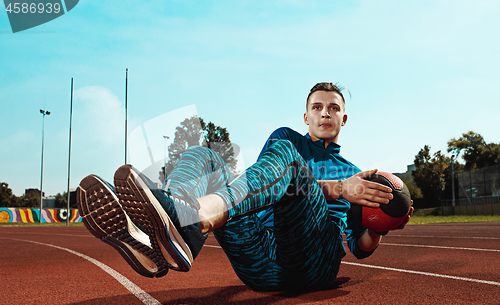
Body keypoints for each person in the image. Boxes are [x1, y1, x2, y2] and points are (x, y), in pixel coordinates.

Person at [77, 82, 413, 292]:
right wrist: (338, 188)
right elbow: (276, 179)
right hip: (260, 264)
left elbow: (360, 246)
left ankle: (189, 221)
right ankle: (174, 223)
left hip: (313, 264)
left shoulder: (356, 174)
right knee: (206, 155)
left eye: (334, 108)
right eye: (317, 107)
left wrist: (382, 223)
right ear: (306, 117)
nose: (325, 113)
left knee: (290, 163)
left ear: (344, 119)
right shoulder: (287, 138)